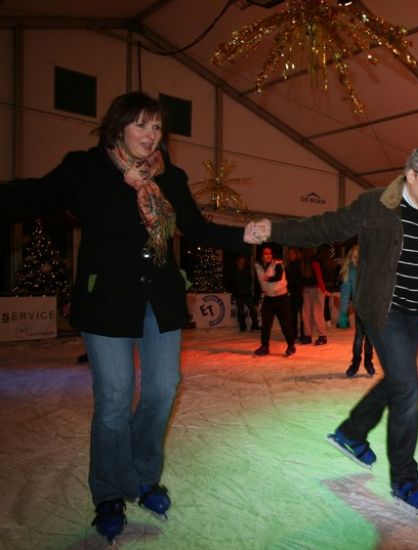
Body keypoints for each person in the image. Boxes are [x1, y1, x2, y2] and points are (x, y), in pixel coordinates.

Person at [0, 91, 264, 543]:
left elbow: (196, 228)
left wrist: (248, 236)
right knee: (115, 399)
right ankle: (109, 491)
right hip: (106, 301)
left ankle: (144, 475)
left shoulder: (171, 177)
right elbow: (33, 196)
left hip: (158, 299)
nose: (151, 134)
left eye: (157, 126)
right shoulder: (85, 169)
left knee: (162, 389)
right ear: (118, 127)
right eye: (141, 124)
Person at [255, 147, 418, 518]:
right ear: (410, 176)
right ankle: (405, 480)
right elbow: (323, 227)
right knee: (407, 387)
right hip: (380, 310)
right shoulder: (375, 204)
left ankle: (352, 432)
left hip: (411, 314)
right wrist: (274, 230)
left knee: (398, 382)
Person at [339, 245, 375, 377]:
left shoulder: (370, 269)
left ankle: (368, 362)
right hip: (359, 309)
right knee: (359, 338)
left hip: (371, 309)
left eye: (358, 257)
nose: (356, 260)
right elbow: (345, 293)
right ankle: (355, 363)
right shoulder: (349, 271)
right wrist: (343, 313)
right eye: (353, 257)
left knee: (370, 338)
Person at [254, 246, 296, 357]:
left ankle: (291, 345)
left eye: (270, 253)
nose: (268, 255)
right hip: (268, 298)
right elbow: (258, 284)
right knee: (266, 325)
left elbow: (278, 277)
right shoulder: (258, 267)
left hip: (281, 297)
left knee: (285, 324)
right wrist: (256, 300)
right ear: (261, 256)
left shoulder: (277, 264)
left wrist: (268, 278)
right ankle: (264, 347)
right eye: (265, 253)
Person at [300, 247, 330, 345]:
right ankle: (308, 335)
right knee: (307, 313)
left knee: (316, 312)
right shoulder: (305, 261)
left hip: (317, 288)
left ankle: (322, 335)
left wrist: (323, 290)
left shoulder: (314, 260)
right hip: (309, 288)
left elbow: (319, 276)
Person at [225, 254, 259, 332]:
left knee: (253, 310)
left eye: (243, 261)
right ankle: (242, 326)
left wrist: (249, 289)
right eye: (240, 261)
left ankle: (254, 325)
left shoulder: (247, 271)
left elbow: (250, 281)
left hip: (247, 293)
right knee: (240, 311)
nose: (242, 263)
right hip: (238, 294)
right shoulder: (233, 271)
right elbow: (229, 282)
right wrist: (232, 289)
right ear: (237, 262)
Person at [285, 247, 306, 343]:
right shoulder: (288, 266)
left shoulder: (300, 265)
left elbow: (302, 279)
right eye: (289, 253)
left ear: (296, 254)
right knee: (292, 315)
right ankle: (294, 334)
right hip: (292, 293)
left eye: (292, 253)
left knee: (303, 315)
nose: (290, 255)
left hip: (300, 293)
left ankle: (303, 334)